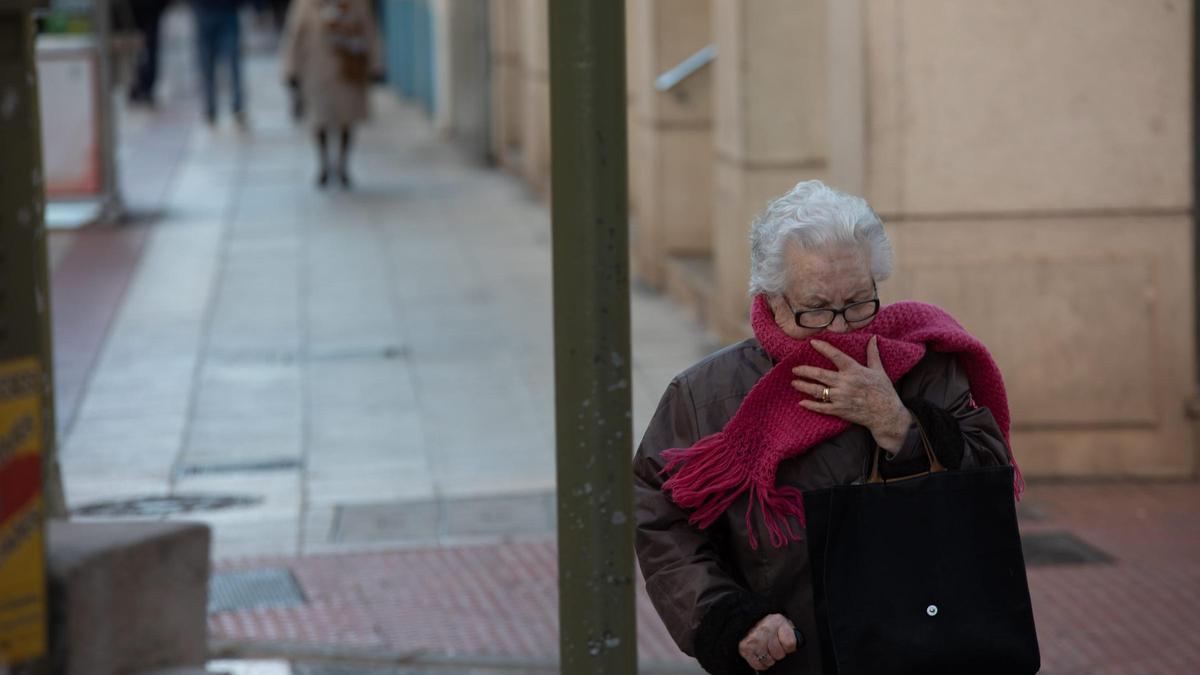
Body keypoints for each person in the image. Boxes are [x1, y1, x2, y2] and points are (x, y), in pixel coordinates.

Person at [633, 180, 1019, 674]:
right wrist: (728, 618)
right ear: (772, 299)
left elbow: (990, 482)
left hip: (929, 648)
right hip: (793, 658)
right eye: (816, 309)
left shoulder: (927, 364)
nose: (839, 329)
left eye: (858, 303)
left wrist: (900, 425)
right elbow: (660, 514)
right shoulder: (706, 395)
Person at [280, 0, 382, 189]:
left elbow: (369, 29)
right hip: (315, 69)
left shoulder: (356, 3)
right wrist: (291, 69)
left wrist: (376, 64)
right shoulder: (306, 4)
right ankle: (324, 163)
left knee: (347, 118)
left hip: (348, 69)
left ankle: (343, 164)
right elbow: (294, 35)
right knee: (319, 119)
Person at [192, 0, 246, 126]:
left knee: (232, 61)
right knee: (208, 64)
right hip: (205, 11)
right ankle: (210, 107)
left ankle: (237, 106)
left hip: (227, 11)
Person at [127, 0, 168, 105]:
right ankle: (142, 86)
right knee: (146, 47)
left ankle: (142, 86)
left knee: (145, 47)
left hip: (144, 8)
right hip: (145, 8)